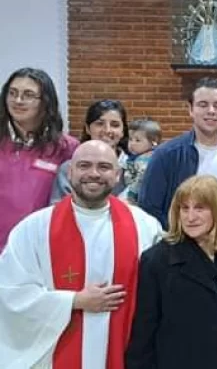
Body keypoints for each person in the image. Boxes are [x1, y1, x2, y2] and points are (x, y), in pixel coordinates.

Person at [0, 140, 162, 368]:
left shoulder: (145, 226)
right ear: (70, 171)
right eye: (84, 166)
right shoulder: (34, 229)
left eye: (104, 167)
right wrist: (73, 301)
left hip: (126, 353)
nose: (93, 174)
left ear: (117, 175)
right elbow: (9, 294)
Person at [125, 175, 217, 369]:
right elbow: (143, 333)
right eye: (184, 208)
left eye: (200, 208)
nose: (190, 217)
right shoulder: (158, 260)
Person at [138, 77, 217, 230]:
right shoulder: (165, 156)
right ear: (191, 109)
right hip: (178, 247)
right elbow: (149, 211)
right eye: (203, 105)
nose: (211, 111)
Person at [0, 67, 78, 252]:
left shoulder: (68, 148)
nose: (18, 100)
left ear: (45, 102)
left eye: (28, 95)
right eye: (12, 93)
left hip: (42, 251)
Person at [52, 99, 129, 203]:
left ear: (123, 131)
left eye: (115, 125)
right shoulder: (68, 169)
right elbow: (59, 211)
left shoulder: (136, 168)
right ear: (88, 128)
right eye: (100, 124)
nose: (107, 130)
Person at [123, 117, 162, 204]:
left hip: (140, 199)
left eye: (137, 140)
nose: (132, 143)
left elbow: (140, 179)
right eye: (130, 139)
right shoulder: (136, 157)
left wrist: (131, 195)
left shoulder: (146, 160)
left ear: (153, 142)